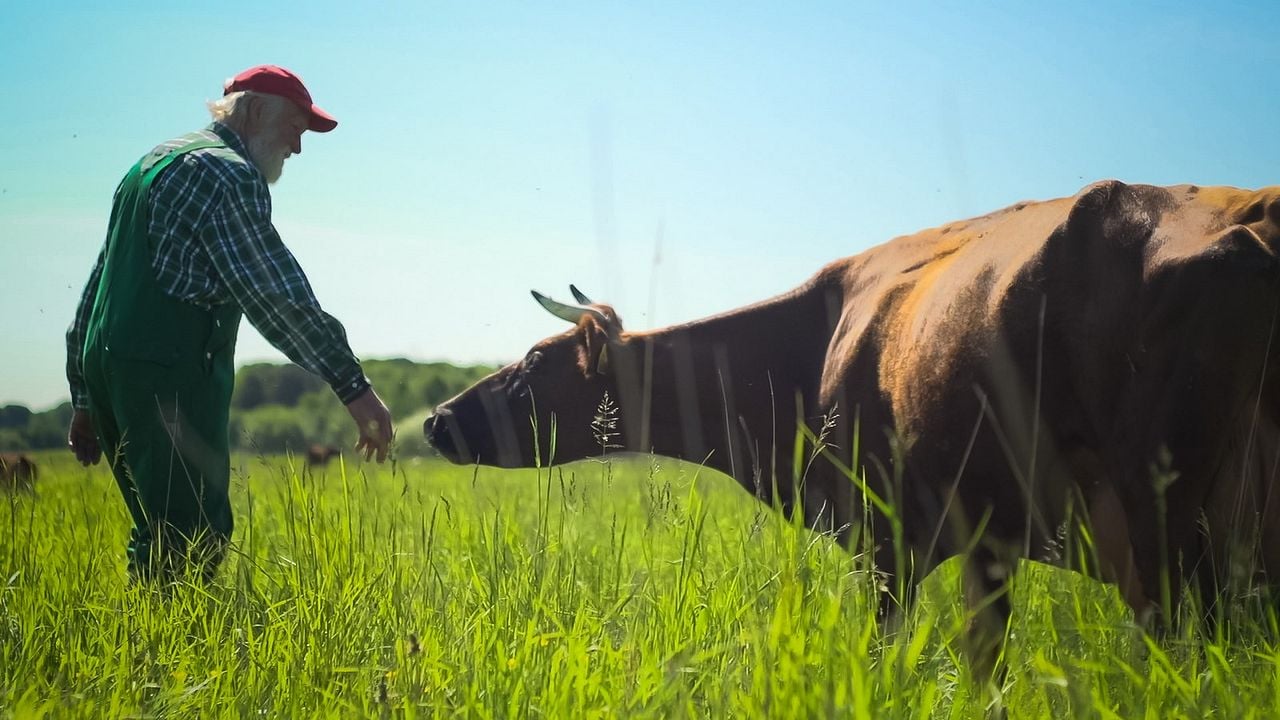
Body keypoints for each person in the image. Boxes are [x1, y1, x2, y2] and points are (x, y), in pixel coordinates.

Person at [64, 65, 394, 582]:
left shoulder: (151, 162)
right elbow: (275, 295)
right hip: (167, 375)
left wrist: (85, 395)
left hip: (110, 366)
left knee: (158, 528)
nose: (298, 149)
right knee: (195, 535)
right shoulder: (228, 174)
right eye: (296, 130)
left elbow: (99, 285)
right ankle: (167, 657)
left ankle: (143, 646)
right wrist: (352, 385)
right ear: (258, 110)